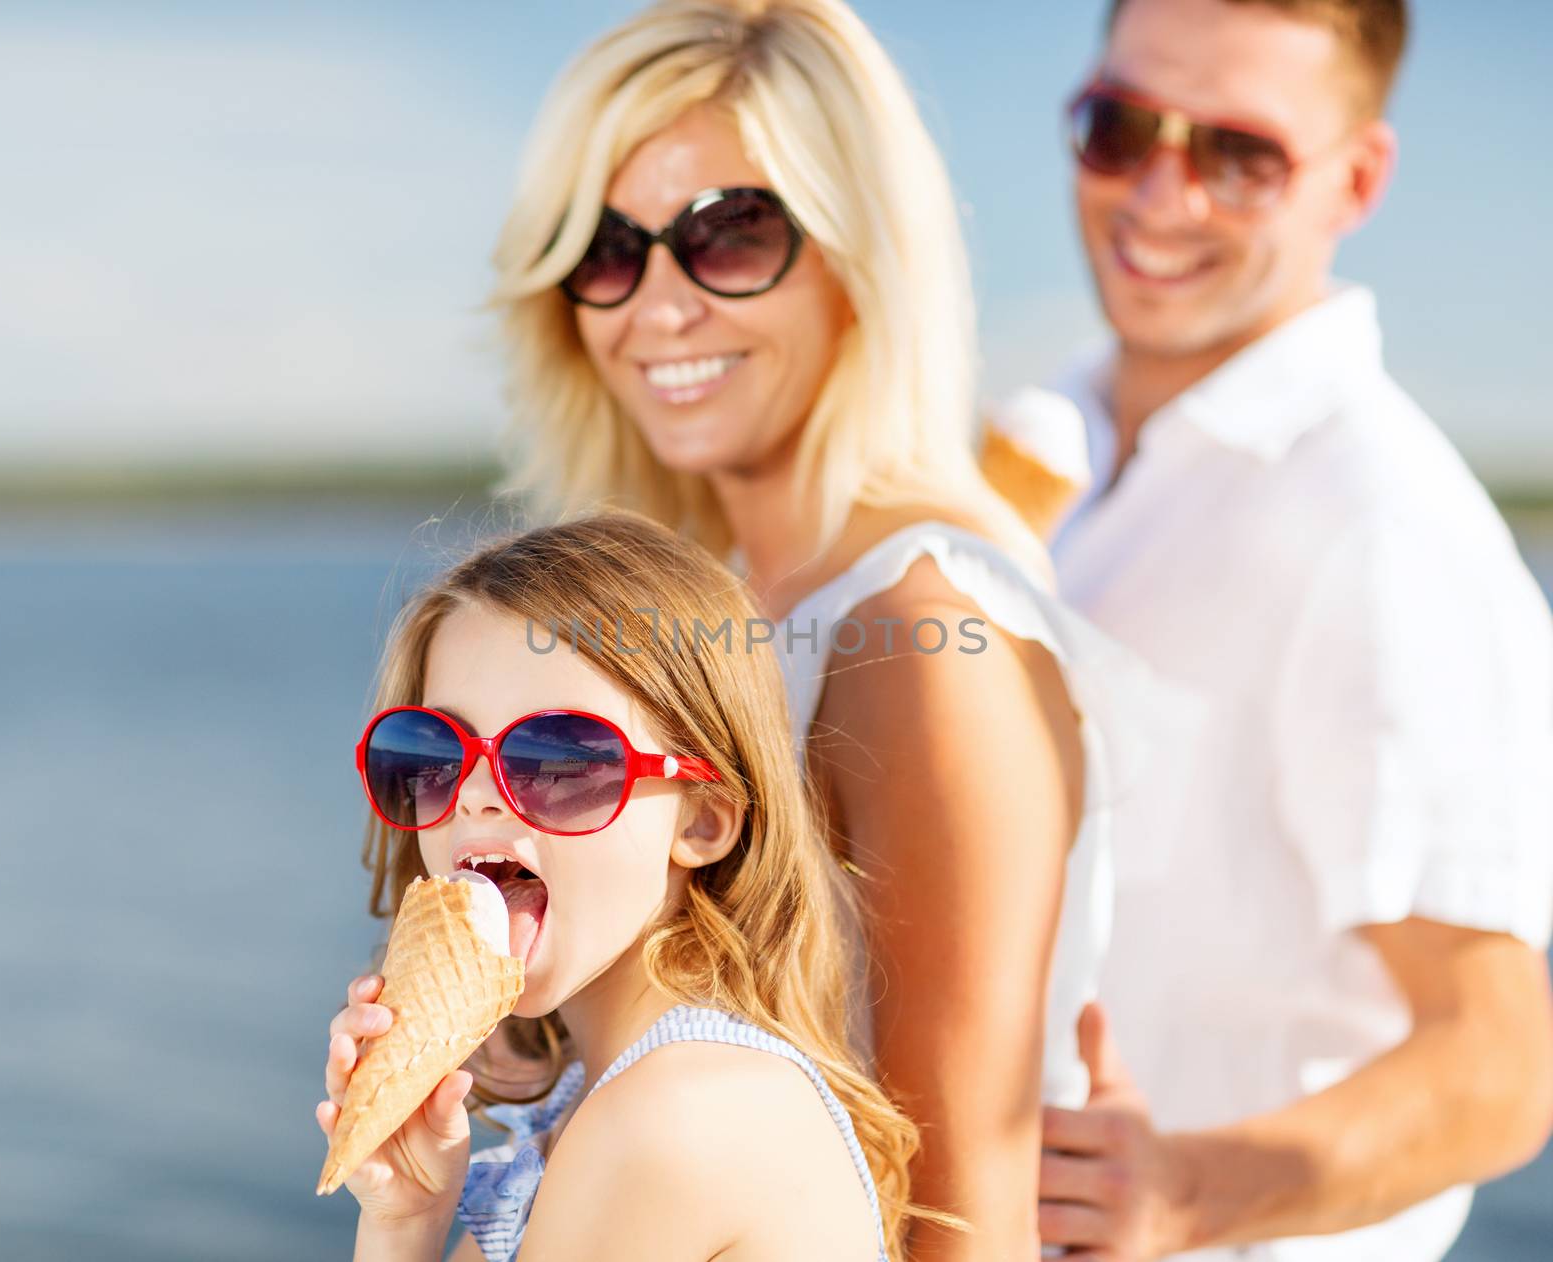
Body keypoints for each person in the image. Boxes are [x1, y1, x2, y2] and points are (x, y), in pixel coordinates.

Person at [486, 2, 1177, 1255]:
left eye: (730, 235)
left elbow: (958, 1214)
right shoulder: (729, 597)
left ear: (862, 252)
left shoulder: (925, 631)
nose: (658, 303)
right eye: (605, 249)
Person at [987, 1, 1553, 1257]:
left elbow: (1497, 1061)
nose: (1161, 195)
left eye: (1238, 155)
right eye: (1120, 128)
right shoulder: (1037, 446)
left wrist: (1184, 1189)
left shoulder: (1382, 524)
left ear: (1354, 178)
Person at [315, 512, 945, 1261]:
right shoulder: (592, 1110)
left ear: (704, 822)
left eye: (557, 757)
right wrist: (405, 1218)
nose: (479, 793)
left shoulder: (673, 1117)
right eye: (432, 751)